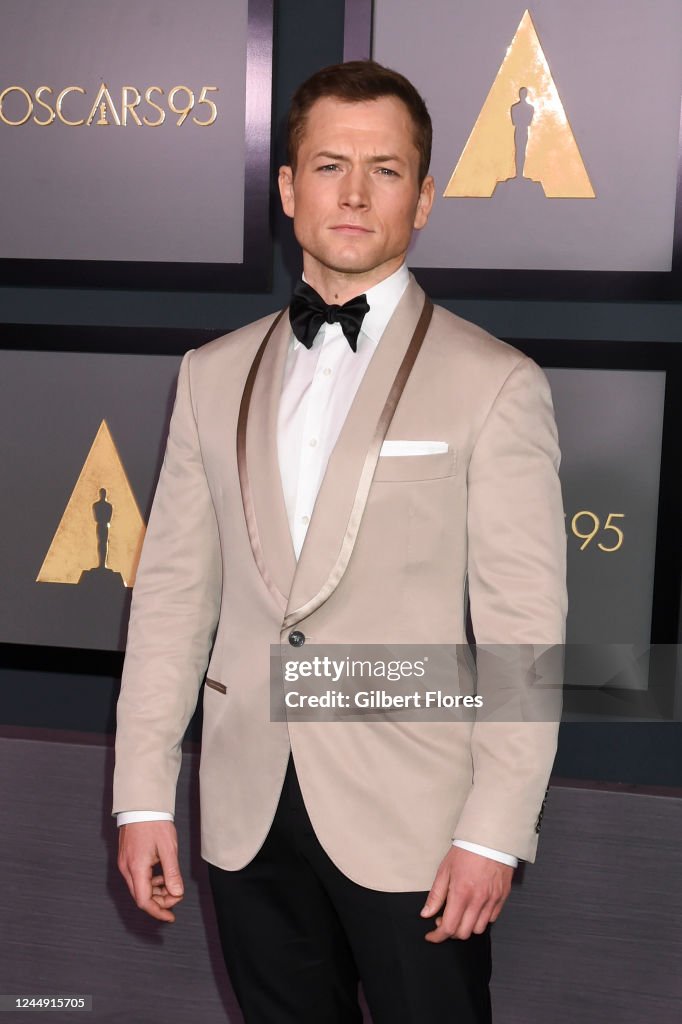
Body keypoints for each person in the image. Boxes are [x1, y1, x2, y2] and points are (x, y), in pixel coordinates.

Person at [114, 60, 567, 1023]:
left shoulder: (497, 383)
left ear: (427, 197)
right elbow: (172, 599)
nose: (355, 193)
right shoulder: (209, 375)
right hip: (245, 813)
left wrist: (494, 830)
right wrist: (143, 794)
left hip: (416, 822)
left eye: (387, 169)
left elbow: (524, 629)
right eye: (328, 165)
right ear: (287, 189)